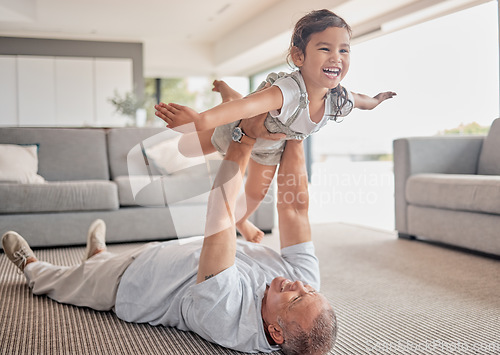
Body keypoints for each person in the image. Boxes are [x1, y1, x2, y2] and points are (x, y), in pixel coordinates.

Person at [2, 115, 337, 355]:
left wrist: (243, 139)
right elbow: (294, 209)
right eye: (308, 290)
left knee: (64, 282)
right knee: (98, 264)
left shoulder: (226, 316)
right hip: (174, 254)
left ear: (275, 332)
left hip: (135, 282)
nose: (298, 285)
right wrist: (298, 129)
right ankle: (98, 255)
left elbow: (220, 215)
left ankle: (31, 265)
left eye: (294, 298)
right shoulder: (305, 285)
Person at [155, 9, 396, 243]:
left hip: (271, 147)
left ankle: (241, 221)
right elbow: (247, 108)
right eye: (325, 48)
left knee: (256, 194)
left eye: (344, 50)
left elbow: (362, 101)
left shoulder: (338, 100)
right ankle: (228, 94)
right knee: (188, 148)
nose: (336, 57)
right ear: (299, 56)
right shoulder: (288, 90)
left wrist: (377, 100)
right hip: (239, 128)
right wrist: (200, 120)